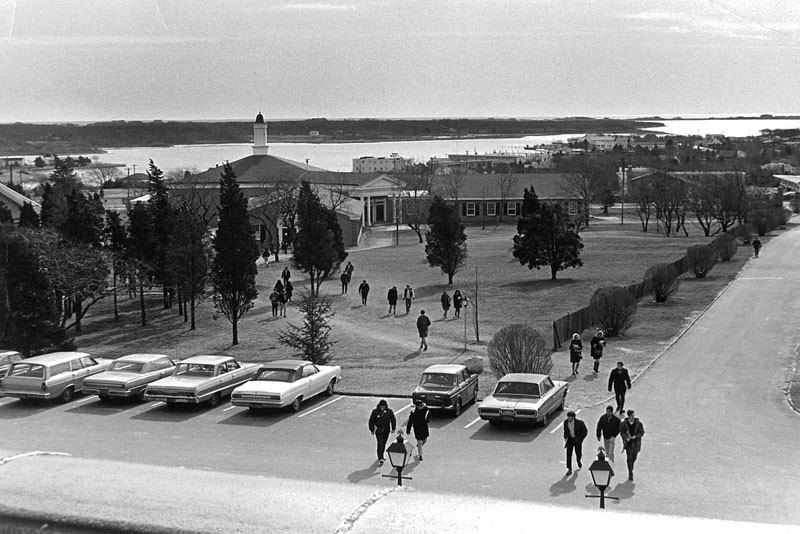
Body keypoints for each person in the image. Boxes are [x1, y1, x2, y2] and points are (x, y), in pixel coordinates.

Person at [368, 399, 396, 466]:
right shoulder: (375, 412)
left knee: (383, 443)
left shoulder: (389, 411)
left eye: (383, 407)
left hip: (386, 430)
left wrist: (393, 428)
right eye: (381, 407)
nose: (382, 408)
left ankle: (382, 455)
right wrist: (372, 429)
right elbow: (371, 421)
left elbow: (393, 419)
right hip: (378, 430)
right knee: (380, 443)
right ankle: (380, 457)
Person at [620, 409, 645, 481]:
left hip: (636, 443)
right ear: (629, 416)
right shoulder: (624, 424)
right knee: (629, 458)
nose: (633, 417)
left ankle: (631, 467)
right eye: (631, 415)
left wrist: (636, 436)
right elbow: (622, 432)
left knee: (634, 457)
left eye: (633, 415)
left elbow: (642, 432)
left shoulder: (638, 423)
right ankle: (630, 472)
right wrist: (626, 438)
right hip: (628, 444)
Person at [563, 411, 588, 476]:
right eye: (568, 417)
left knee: (578, 452)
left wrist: (580, 439)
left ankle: (578, 460)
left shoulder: (580, 423)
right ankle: (569, 468)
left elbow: (585, 431)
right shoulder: (565, 422)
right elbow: (565, 430)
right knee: (568, 454)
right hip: (570, 440)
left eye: (571, 417)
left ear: (573, 417)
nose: (569, 418)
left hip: (577, 440)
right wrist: (565, 436)